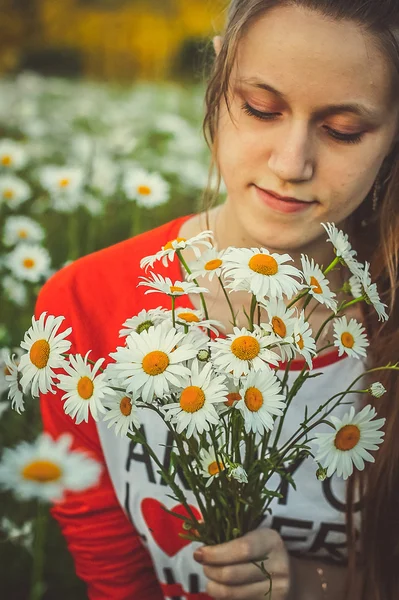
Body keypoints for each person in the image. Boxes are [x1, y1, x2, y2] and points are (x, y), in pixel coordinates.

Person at [37, 1, 399, 599]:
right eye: (260, 109)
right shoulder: (84, 308)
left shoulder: (378, 329)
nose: (291, 163)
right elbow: (111, 572)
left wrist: (311, 586)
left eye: (343, 131)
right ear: (215, 88)